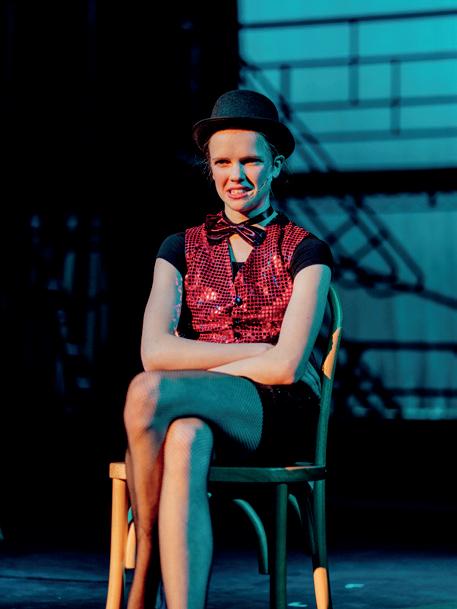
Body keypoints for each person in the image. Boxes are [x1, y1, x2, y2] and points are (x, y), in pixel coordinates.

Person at [123, 89, 333, 609]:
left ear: (275, 165)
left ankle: (143, 569)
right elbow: (154, 351)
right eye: (222, 162)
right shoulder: (179, 247)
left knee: (148, 393)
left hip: (276, 414)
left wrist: (198, 358)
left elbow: (287, 369)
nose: (235, 175)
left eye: (250, 161)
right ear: (210, 169)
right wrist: (260, 348)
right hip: (201, 409)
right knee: (184, 434)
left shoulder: (307, 251)